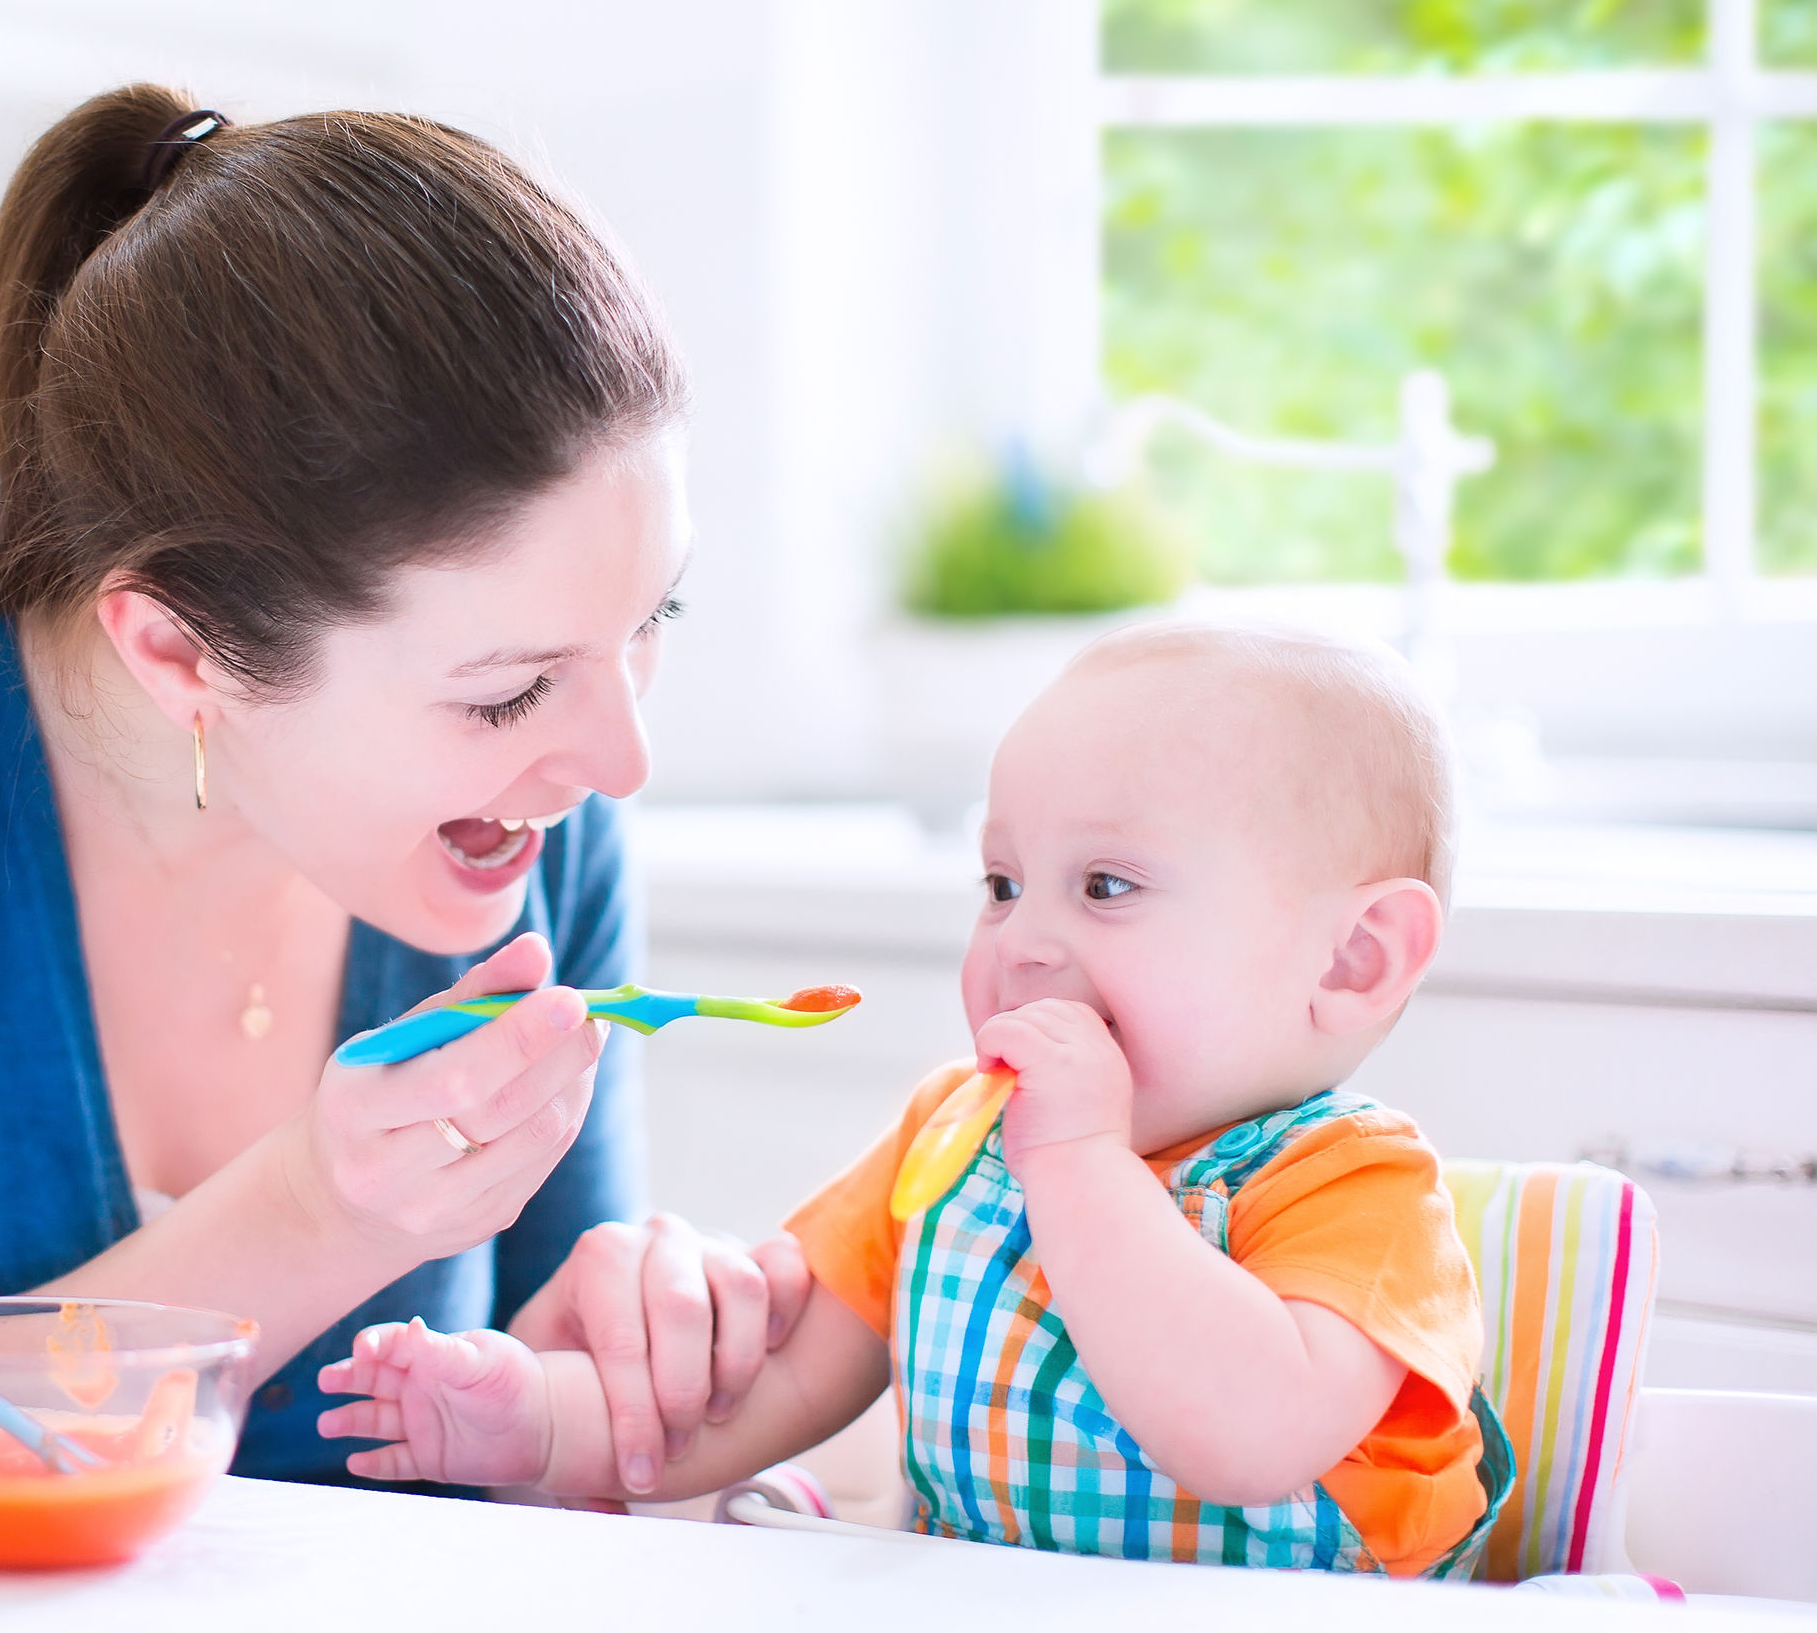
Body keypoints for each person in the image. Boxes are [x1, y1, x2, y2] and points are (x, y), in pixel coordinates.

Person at [0, 84, 808, 1496]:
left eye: (655, 623)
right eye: (508, 691)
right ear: (175, 649)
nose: (618, 761)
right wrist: (310, 1212)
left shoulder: (524, 823)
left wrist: (612, 1395)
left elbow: (523, 1467)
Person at [318, 622, 1517, 1574]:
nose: (1024, 942)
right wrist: (534, 1419)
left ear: (1353, 959)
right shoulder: (952, 1142)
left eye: (1106, 885)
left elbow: (1248, 1439)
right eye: (1001, 882)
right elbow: (771, 1384)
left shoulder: (1358, 1189)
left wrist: (1083, 1160)